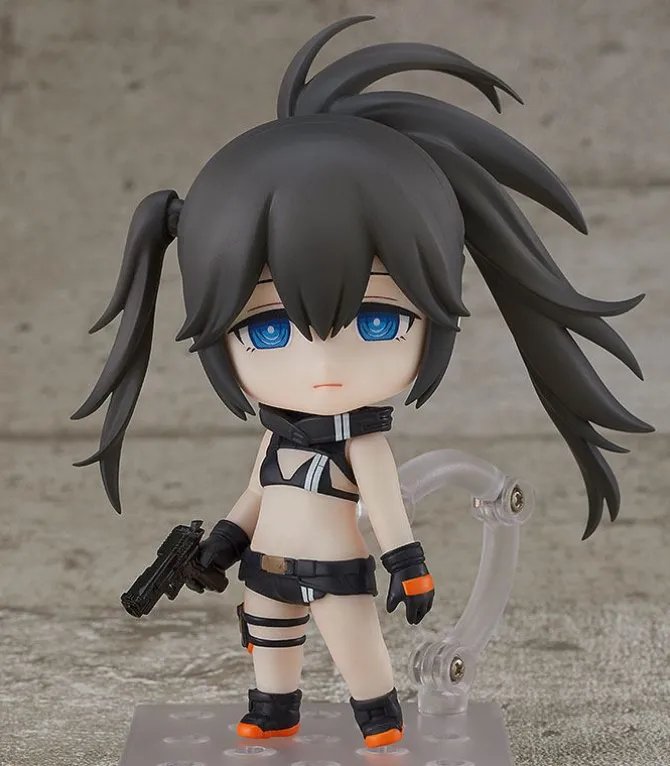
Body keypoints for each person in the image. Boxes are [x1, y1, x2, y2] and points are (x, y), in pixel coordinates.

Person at [73, 16, 652, 748]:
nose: (322, 367)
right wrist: (220, 544)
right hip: (266, 566)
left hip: (338, 567)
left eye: (377, 321)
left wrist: (408, 567)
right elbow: (256, 494)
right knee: (270, 641)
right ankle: (273, 709)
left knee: (354, 646)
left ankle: (377, 717)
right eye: (268, 329)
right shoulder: (277, 439)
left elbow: (386, 509)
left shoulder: (364, 445)